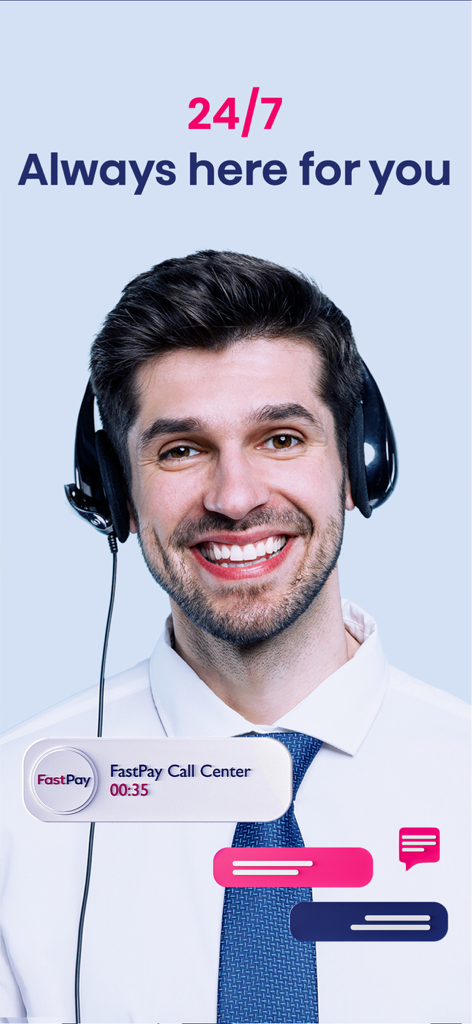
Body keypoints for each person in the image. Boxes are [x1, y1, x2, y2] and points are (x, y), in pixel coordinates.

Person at [0, 251, 469, 1024]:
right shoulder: (18, 814)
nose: (236, 497)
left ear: (360, 463)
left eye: (281, 438)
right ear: (114, 493)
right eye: (181, 450)